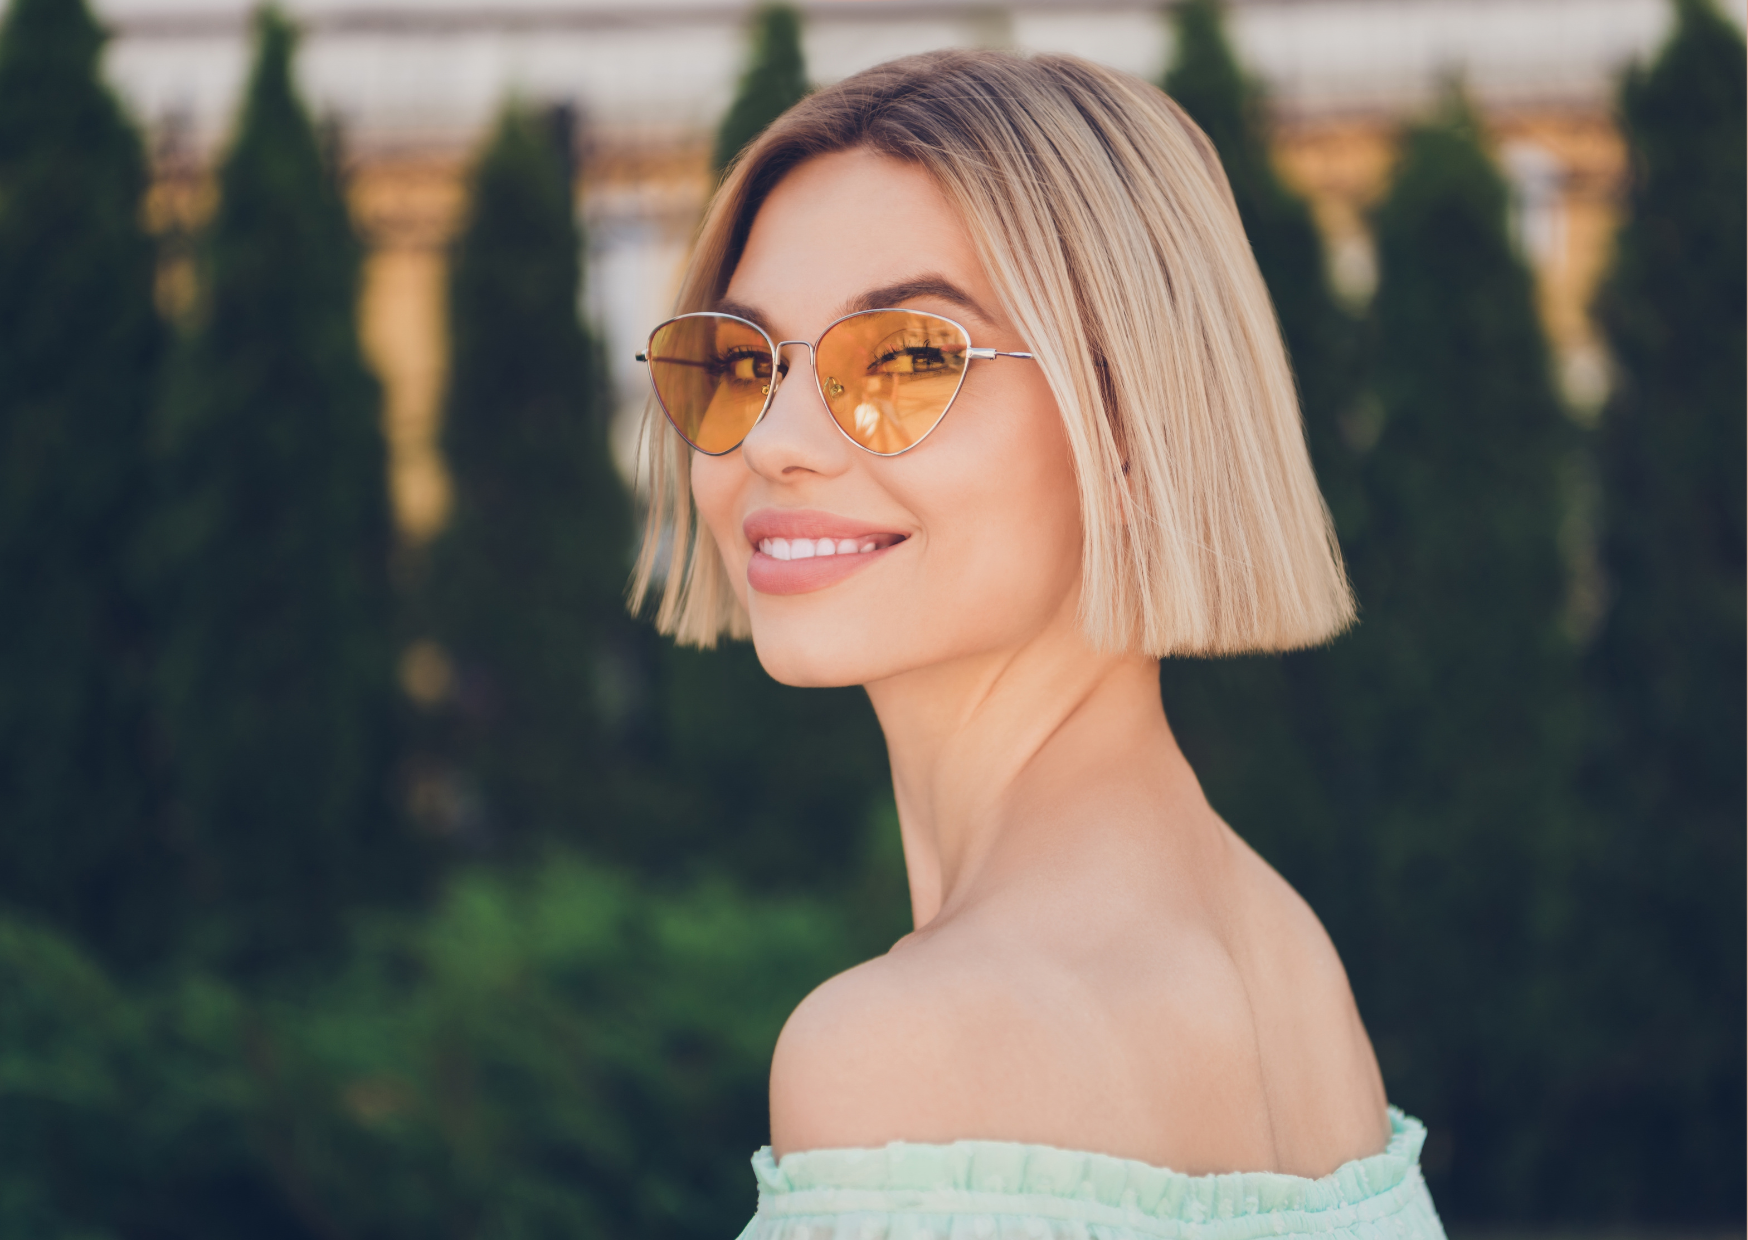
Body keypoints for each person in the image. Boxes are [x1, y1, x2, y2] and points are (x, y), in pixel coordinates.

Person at [631, 49, 1445, 1240]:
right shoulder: (1281, 953)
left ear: (1125, 416)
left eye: (906, 358)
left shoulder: (900, 1050)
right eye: (743, 361)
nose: (775, 442)